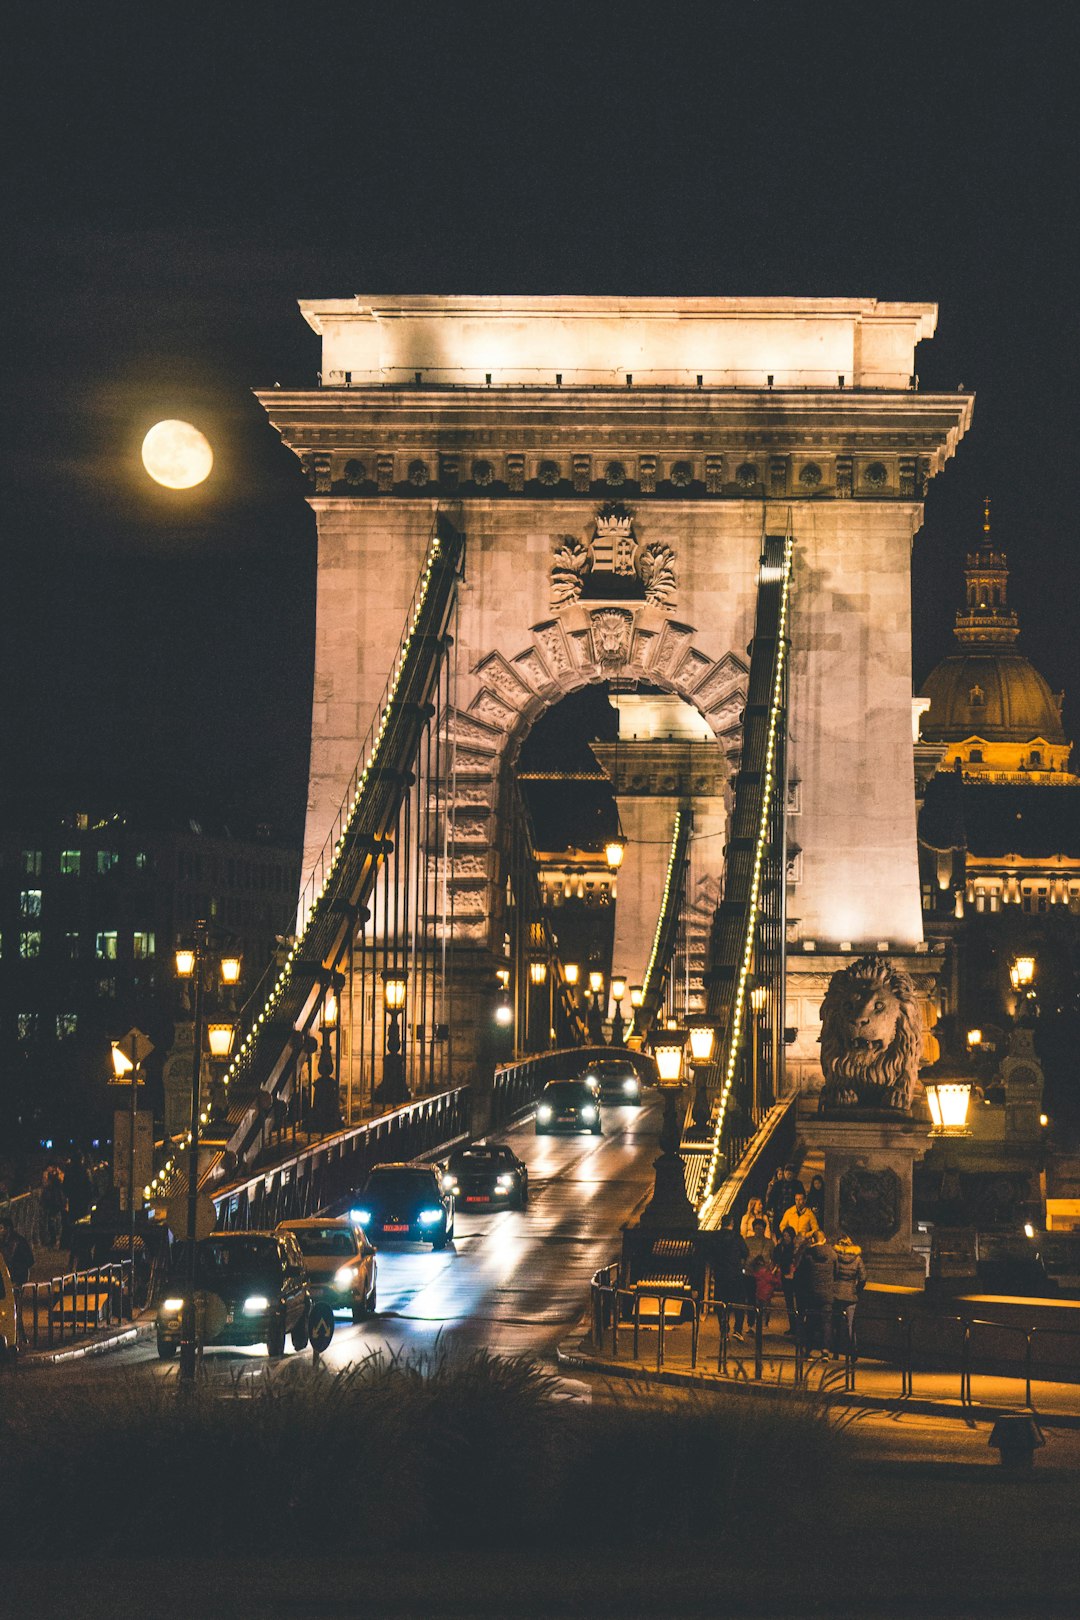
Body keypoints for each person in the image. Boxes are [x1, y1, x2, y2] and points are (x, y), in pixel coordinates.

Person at [795, 1229, 836, 1358]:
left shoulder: (808, 1255)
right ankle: (825, 1350)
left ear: (813, 1240)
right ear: (824, 1240)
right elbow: (836, 1272)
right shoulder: (833, 1255)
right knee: (826, 1322)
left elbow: (800, 1273)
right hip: (827, 1293)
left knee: (811, 1321)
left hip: (811, 1292)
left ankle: (808, 1349)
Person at [712, 1213, 749, 1340]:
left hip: (720, 1275)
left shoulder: (714, 1237)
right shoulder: (737, 1238)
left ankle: (724, 1330)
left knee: (721, 1304)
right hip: (735, 1274)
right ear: (732, 1223)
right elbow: (745, 1252)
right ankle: (737, 1329)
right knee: (739, 1303)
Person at [832, 1230, 867, 1359]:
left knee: (835, 1323)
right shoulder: (857, 1259)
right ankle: (853, 1350)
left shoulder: (835, 1257)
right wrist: (856, 1289)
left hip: (837, 1293)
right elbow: (863, 1277)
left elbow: (832, 1273)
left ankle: (835, 1351)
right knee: (851, 1324)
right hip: (851, 1294)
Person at [745, 1218, 781, 1328]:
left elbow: (774, 1258)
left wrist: (772, 1270)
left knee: (764, 1299)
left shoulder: (769, 1243)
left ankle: (763, 1320)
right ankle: (751, 1322)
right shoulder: (748, 1241)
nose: (758, 1231)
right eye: (756, 1228)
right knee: (750, 1298)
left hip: (764, 1275)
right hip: (750, 1273)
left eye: (761, 1229)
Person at [774, 1225, 800, 1336]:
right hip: (785, 1276)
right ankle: (792, 1326)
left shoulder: (794, 1248)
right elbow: (776, 1257)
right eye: (784, 1236)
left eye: (787, 1236)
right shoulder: (781, 1247)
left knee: (797, 1302)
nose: (786, 1238)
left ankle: (797, 1326)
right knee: (789, 1302)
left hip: (794, 1277)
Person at [766, 1164, 804, 1236]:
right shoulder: (778, 1184)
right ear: (785, 1173)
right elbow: (772, 1197)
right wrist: (769, 1208)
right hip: (779, 1212)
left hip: (792, 1213)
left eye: (791, 1174)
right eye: (788, 1173)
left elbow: (802, 1197)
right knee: (778, 1232)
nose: (789, 1175)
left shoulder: (798, 1184)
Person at [41, 1163, 65, 1248]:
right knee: (56, 1220)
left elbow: (46, 1185)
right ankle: (55, 1238)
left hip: (54, 1201)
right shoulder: (58, 1177)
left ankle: (54, 1239)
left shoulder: (55, 1178)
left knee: (52, 1220)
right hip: (58, 1200)